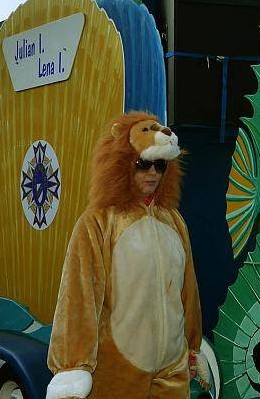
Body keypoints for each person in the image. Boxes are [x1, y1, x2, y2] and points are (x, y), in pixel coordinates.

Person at [46, 112, 208, 399]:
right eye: (143, 164)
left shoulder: (174, 221)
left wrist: (192, 349)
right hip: (117, 371)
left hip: (171, 372)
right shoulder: (98, 223)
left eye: (160, 165)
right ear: (122, 165)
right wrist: (73, 366)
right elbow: (78, 299)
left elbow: (188, 292)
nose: (153, 173)